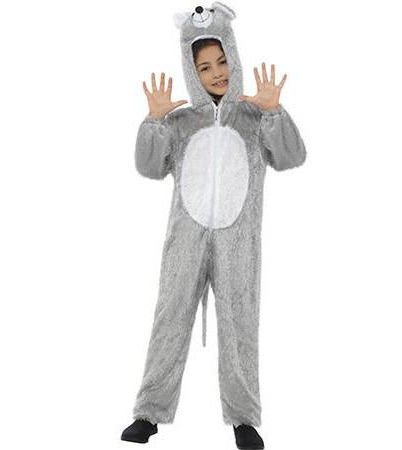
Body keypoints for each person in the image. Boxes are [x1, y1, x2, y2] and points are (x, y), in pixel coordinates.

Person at [121, 3, 306, 448]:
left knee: (241, 322)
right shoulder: (182, 122)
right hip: (184, 241)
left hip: (238, 243)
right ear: (191, 70)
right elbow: (149, 167)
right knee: (170, 317)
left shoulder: (253, 117)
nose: (216, 73)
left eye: (222, 61)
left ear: (234, 58)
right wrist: (155, 121)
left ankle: (244, 419)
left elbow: (291, 157)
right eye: (204, 67)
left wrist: (275, 113)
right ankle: (149, 412)